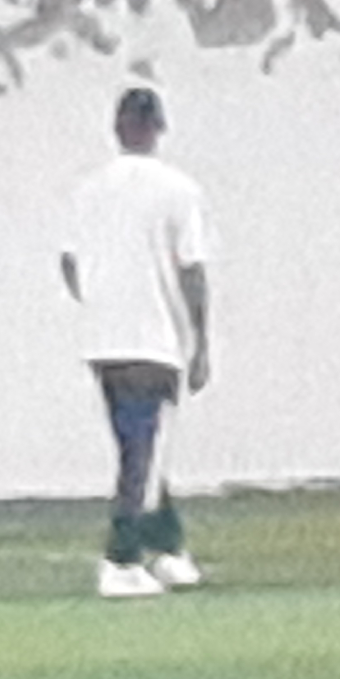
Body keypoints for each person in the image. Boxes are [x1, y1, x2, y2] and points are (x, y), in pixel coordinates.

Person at [59, 84, 215, 598]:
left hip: (104, 338)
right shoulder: (178, 190)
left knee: (140, 445)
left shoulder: (88, 189)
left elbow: (69, 262)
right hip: (155, 336)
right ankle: (121, 557)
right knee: (144, 451)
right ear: (158, 129)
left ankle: (168, 547)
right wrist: (201, 338)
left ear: (118, 128)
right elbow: (191, 269)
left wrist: (96, 300)